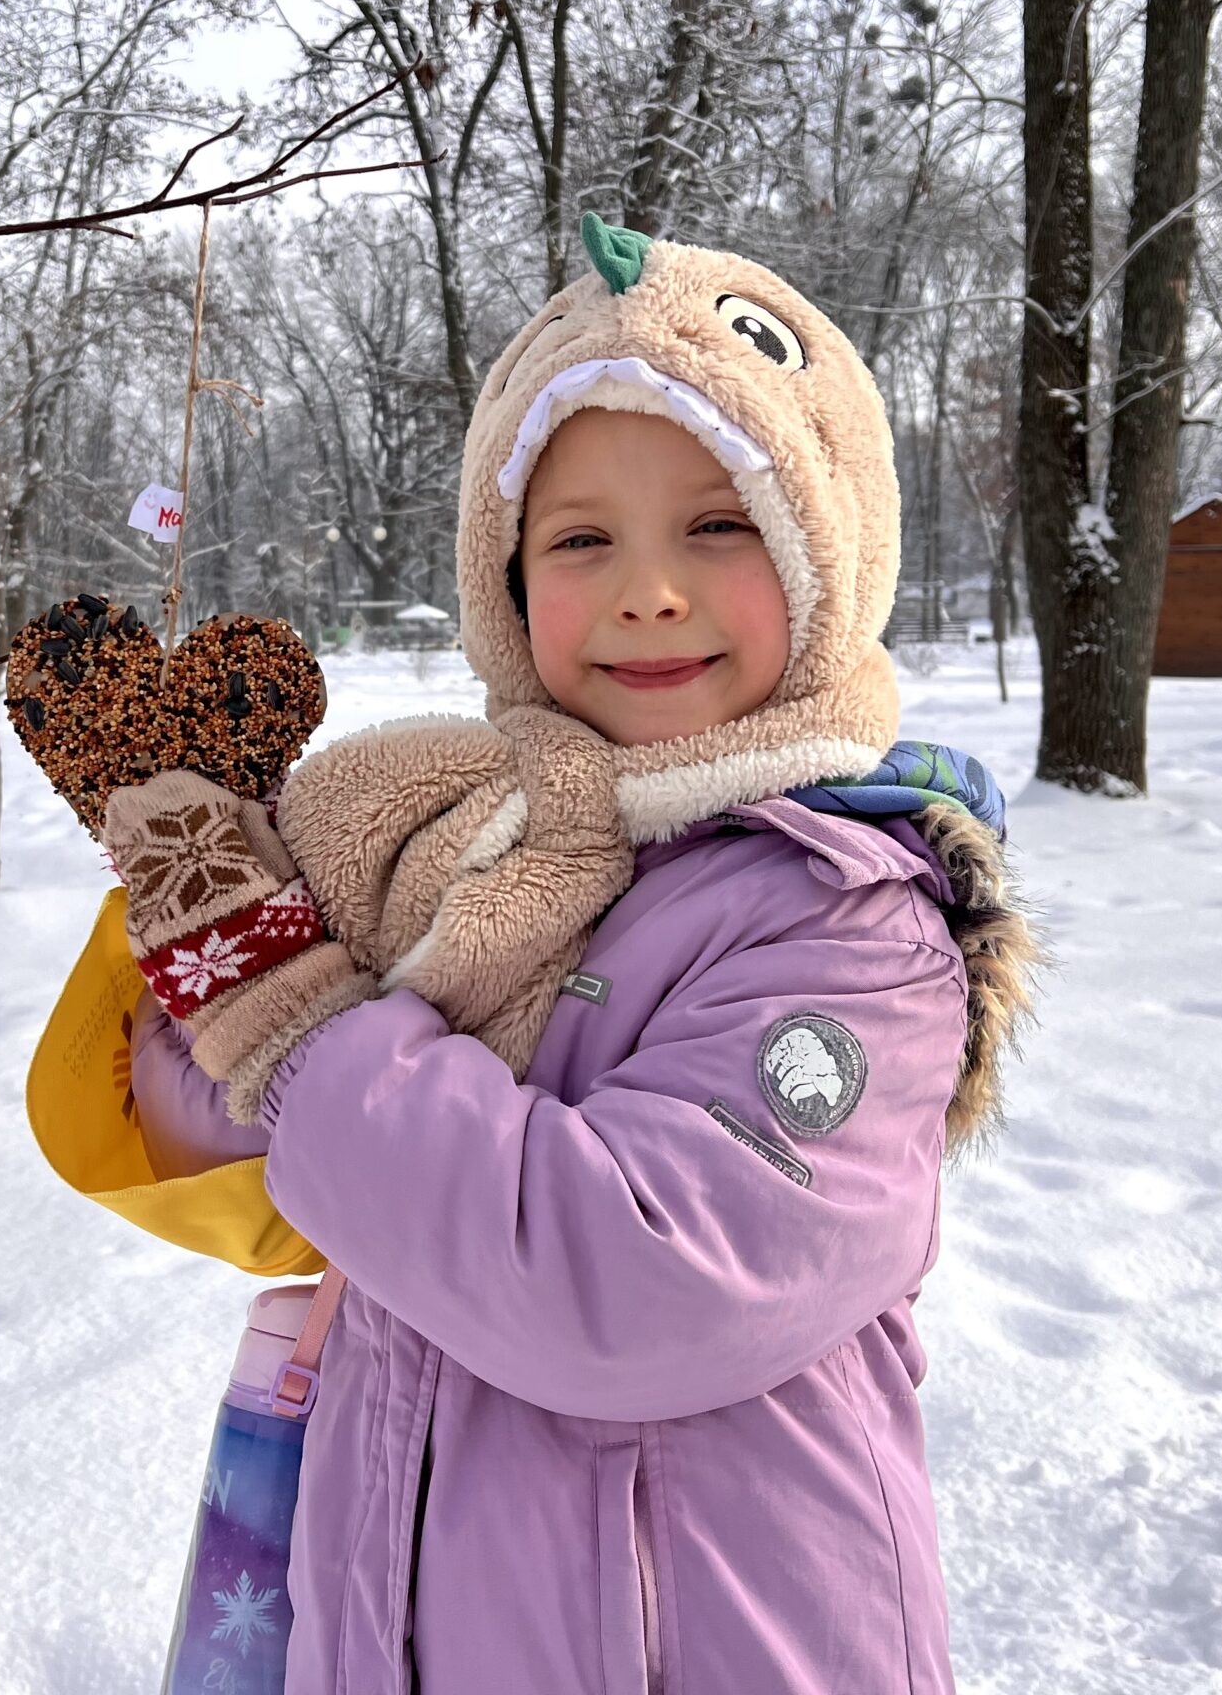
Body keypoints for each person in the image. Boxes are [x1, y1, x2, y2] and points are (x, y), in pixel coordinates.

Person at [102, 214, 1038, 1693]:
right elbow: (224, 1137)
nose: (647, 590)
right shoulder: (457, 842)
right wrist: (194, 884)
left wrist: (284, 1007)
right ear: (503, 577)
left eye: (723, 523)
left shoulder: (849, 918)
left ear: (831, 542)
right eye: (581, 537)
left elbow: (627, 1283)